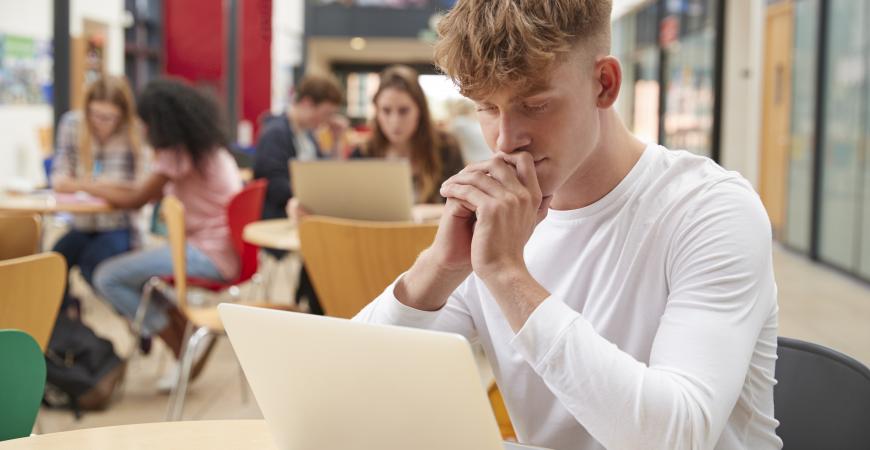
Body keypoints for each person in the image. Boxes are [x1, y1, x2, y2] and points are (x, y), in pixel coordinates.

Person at [353, 1, 782, 449]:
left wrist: (506, 274)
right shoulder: (498, 220)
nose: (505, 139)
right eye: (487, 108)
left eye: (534, 104)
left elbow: (677, 437)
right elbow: (353, 381)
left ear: (604, 83)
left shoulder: (709, 209)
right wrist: (440, 267)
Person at [89, 78, 242, 380]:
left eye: (146, 123)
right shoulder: (204, 149)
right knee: (138, 280)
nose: (144, 131)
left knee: (108, 277)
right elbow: (145, 190)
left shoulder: (176, 154)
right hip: (222, 250)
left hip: (208, 255)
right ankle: (188, 332)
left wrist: (84, 185)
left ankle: (182, 351)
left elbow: (136, 199)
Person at [51, 75, 145, 313]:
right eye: (94, 114)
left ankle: (140, 319)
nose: (100, 122)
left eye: (108, 117)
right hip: (82, 224)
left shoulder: (134, 132)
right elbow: (60, 180)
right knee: (54, 261)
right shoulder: (73, 124)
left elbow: (138, 190)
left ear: (121, 114)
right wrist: (104, 187)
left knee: (92, 264)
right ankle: (65, 327)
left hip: (119, 224)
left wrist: (84, 185)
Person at [253, 74, 344, 315]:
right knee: (325, 251)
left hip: (309, 218)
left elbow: (328, 175)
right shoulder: (276, 133)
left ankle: (314, 306)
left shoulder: (307, 136)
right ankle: (314, 307)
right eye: (324, 114)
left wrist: (336, 141)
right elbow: (273, 183)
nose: (325, 121)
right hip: (281, 217)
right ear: (306, 104)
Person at [351, 65, 465, 204]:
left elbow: (460, 205)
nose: (395, 121)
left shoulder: (446, 147)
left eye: (404, 111)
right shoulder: (363, 153)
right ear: (377, 112)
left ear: (420, 111)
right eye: (386, 111)